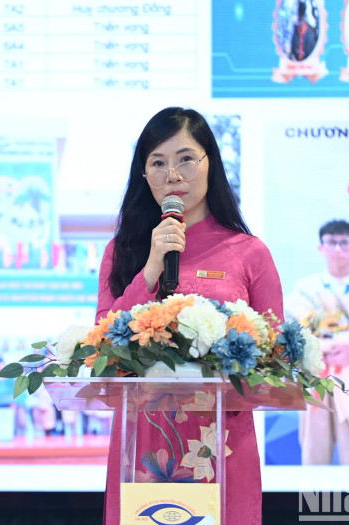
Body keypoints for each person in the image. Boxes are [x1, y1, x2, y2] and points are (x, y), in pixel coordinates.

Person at [97, 107, 283, 524]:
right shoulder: (123, 251)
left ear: (209, 163)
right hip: (142, 446)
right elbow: (101, 349)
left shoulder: (250, 253)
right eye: (157, 163)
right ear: (143, 174)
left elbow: (275, 358)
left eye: (185, 158)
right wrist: (150, 269)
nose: (172, 173)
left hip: (219, 444)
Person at [285, 220, 349, 465]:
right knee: (314, 446)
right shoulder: (305, 287)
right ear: (321, 248)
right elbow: (297, 330)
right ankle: (313, 501)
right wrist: (317, 349)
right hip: (315, 372)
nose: (338, 248)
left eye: (345, 243)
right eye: (332, 242)